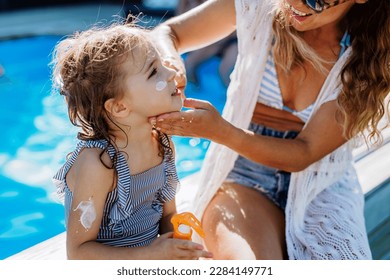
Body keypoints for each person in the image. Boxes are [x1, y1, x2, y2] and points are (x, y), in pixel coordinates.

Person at [150, 0, 390, 259]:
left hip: (321, 184)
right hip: (242, 174)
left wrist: (220, 132)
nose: (295, 4)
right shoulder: (259, 6)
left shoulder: (371, 56)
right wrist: (171, 63)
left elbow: (305, 152)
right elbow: (167, 34)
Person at [51, 22, 212, 260]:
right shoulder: (98, 164)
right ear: (119, 106)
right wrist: (148, 255)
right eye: (154, 71)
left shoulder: (162, 144)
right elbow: (78, 253)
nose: (171, 73)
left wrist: (179, 246)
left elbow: (167, 216)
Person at [175, 0, 238, 87]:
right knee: (188, 66)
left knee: (225, 71)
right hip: (212, 37)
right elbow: (179, 21)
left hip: (232, 38)